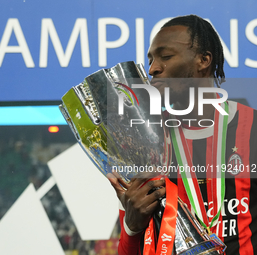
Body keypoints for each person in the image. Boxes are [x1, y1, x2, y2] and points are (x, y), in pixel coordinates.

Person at [108, 14, 257, 255]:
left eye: (166, 57)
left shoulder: (252, 129)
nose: (153, 68)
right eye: (152, 60)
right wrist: (132, 227)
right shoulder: (144, 144)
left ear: (204, 60)